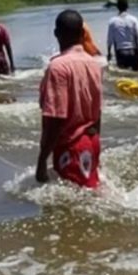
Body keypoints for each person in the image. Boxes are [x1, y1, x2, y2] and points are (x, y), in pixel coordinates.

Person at [36, 10, 103, 189]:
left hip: (71, 146)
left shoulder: (58, 67)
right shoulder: (94, 64)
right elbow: (98, 112)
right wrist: (98, 145)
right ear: (82, 34)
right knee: (90, 194)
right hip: (92, 141)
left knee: (76, 206)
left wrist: (42, 160)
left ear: (56, 34)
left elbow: (56, 117)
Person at [106, 0, 138, 73]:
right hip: (133, 52)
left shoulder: (112, 22)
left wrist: (109, 53)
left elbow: (110, 40)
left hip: (121, 54)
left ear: (117, 7)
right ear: (127, 7)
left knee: (124, 77)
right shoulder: (133, 20)